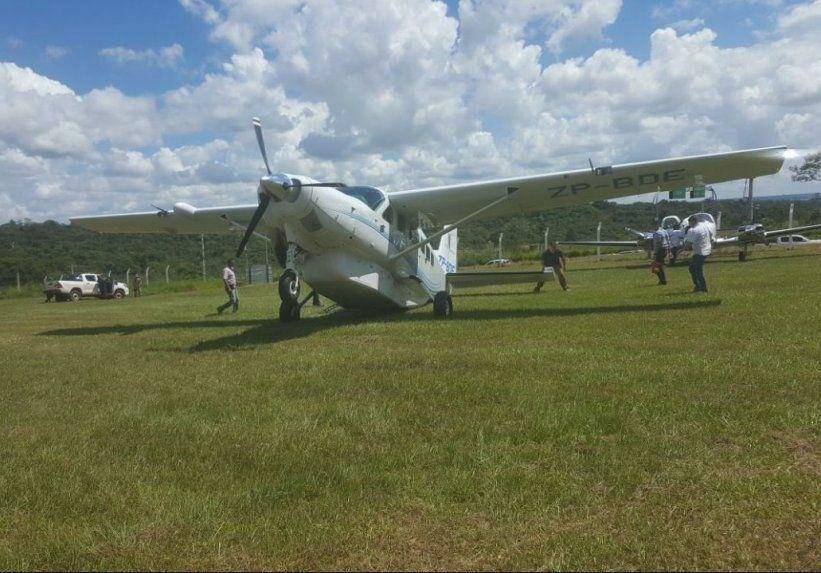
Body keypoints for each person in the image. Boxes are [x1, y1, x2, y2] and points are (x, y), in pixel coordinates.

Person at [684, 215, 713, 293]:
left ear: (692, 221)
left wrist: (686, 235)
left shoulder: (693, 230)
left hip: (700, 252)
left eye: (689, 223)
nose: (689, 225)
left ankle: (702, 288)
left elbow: (687, 245)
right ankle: (698, 286)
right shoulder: (704, 226)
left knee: (697, 270)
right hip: (707, 249)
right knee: (692, 268)